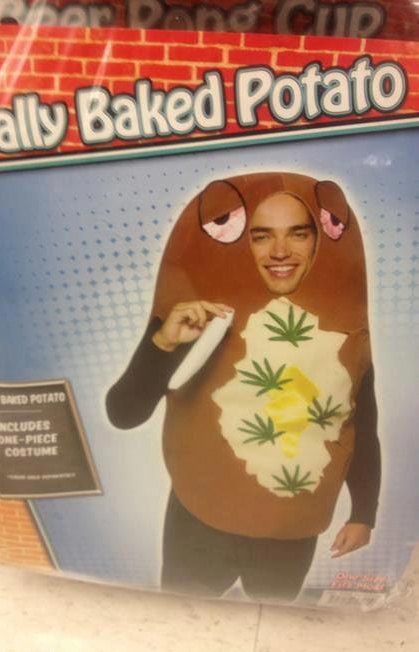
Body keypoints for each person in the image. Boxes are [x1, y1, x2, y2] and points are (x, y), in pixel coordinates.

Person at [107, 172, 380, 602]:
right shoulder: (202, 314)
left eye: (298, 233)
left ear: (319, 240)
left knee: (272, 622)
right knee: (182, 621)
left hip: (290, 525)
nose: (280, 251)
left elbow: (361, 425)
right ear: (240, 241)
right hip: (200, 517)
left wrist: (364, 512)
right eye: (260, 236)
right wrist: (162, 344)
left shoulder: (343, 331)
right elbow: (123, 414)